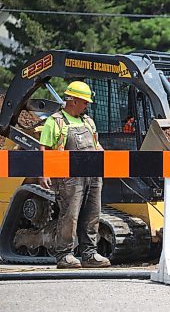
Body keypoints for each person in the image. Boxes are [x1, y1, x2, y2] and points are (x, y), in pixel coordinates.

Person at [39, 81, 111, 269]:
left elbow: (97, 146)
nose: (87, 105)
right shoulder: (55, 122)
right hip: (69, 178)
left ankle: (89, 254)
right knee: (69, 216)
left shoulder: (88, 121)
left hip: (93, 177)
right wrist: (43, 173)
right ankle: (64, 255)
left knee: (92, 215)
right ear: (73, 101)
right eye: (84, 102)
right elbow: (44, 149)